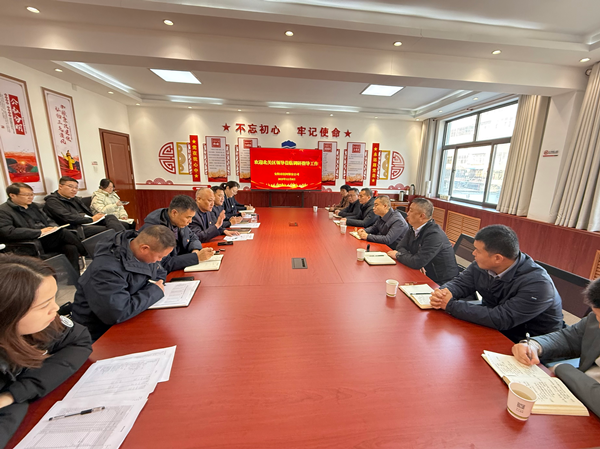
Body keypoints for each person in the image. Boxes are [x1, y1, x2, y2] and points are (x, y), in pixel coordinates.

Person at [0, 255, 92, 446]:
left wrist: (16, 393)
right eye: (44, 305)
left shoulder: (43, 325)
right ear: (7, 313)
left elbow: (79, 339)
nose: (56, 308)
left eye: (53, 298)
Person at [430, 224, 563, 342]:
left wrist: (451, 305)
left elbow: (502, 318)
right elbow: (461, 283)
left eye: (478, 251)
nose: (473, 253)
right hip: (493, 328)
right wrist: (443, 292)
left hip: (529, 344)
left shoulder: (538, 285)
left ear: (497, 258)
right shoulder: (482, 265)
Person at [511, 278, 600, 418]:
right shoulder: (594, 319)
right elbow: (568, 338)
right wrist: (535, 345)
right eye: (598, 316)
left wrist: (561, 368)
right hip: (575, 395)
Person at [71, 226, 176, 341]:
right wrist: (154, 291)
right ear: (144, 248)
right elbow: (117, 312)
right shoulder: (106, 270)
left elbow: (159, 272)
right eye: (160, 256)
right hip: (98, 333)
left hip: (127, 317)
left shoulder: (139, 250)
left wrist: (153, 288)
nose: (160, 260)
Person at [0, 183, 86, 272]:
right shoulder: (3, 211)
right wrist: (39, 232)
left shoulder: (35, 206)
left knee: (70, 248)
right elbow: (8, 232)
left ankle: (74, 276)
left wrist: (53, 228)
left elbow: (49, 220)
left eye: (32, 194)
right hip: (28, 242)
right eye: (26, 195)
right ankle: (86, 252)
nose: (30, 197)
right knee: (63, 233)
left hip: (45, 238)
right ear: (12, 195)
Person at [387, 198, 458, 285]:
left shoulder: (434, 235)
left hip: (441, 282)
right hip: (423, 273)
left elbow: (417, 262)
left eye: (411, 210)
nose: (407, 213)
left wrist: (398, 255)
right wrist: (415, 260)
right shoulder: (413, 228)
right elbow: (400, 247)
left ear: (422, 216)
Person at [140, 195, 214, 272]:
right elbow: (163, 264)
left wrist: (195, 250)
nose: (190, 221)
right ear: (174, 213)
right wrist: (195, 257)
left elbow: (193, 237)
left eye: (192, 217)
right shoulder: (154, 230)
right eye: (188, 217)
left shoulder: (178, 222)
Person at [44, 176, 126, 238]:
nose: (74, 190)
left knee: (113, 218)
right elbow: (67, 217)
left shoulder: (75, 199)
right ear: (60, 186)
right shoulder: (53, 201)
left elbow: (87, 212)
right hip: (77, 226)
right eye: (70, 186)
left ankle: (124, 243)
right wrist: (91, 219)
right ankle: (124, 244)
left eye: (76, 187)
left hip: (87, 221)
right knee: (111, 229)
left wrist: (95, 217)